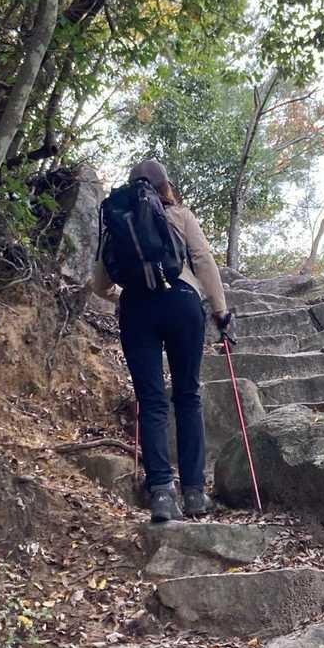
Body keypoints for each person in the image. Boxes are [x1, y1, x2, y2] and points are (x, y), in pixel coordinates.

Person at [91, 159, 232, 523]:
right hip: (182, 301)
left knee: (151, 400)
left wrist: (122, 297)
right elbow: (203, 260)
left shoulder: (117, 219)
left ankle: (162, 494)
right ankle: (195, 493)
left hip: (137, 308)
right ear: (165, 186)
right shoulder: (180, 215)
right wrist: (220, 310)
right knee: (187, 396)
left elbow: (100, 284)